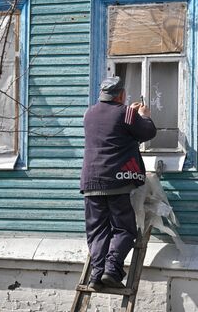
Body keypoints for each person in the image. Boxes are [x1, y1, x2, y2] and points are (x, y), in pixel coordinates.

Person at [80, 76, 157, 290]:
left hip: (91, 181)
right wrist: (144, 116)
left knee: (97, 230)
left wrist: (131, 114)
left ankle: (96, 275)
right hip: (116, 180)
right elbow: (147, 132)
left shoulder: (89, 113)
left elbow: (112, 130)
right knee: (124, 229)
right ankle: (112, 270)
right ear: (121, 94)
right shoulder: (126, 113)